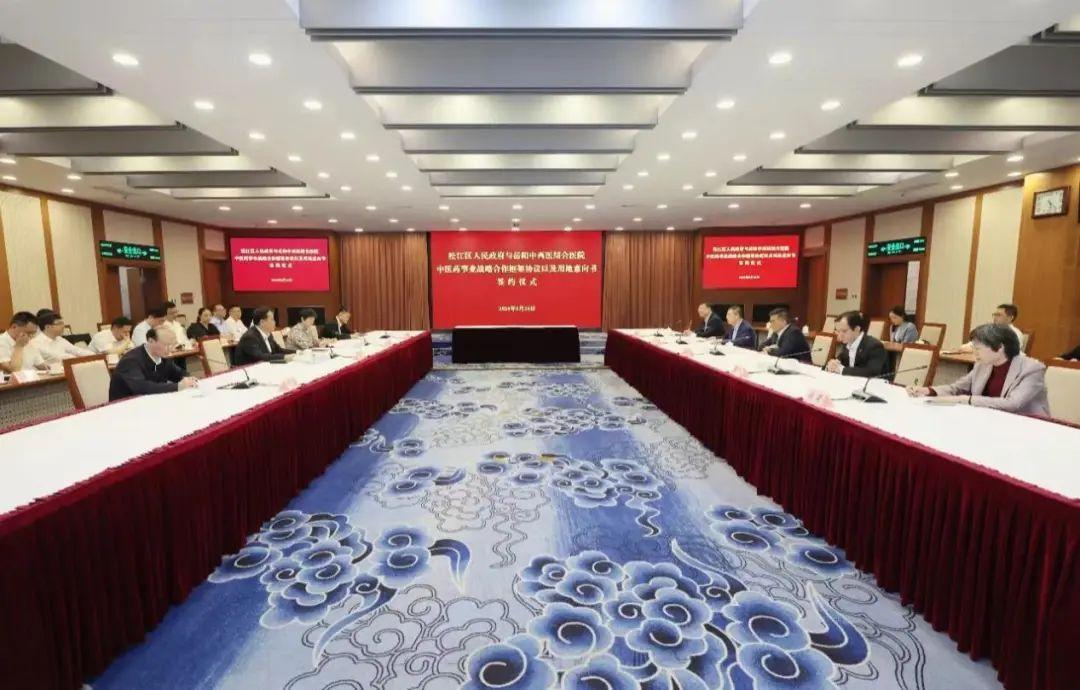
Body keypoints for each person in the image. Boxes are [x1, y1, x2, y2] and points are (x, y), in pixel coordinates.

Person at [909, 324, 1049, 416]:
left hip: (1025, 426)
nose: (974, 353)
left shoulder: (1032, 369)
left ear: (1000, 347)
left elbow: (1012, 404)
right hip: (989, 420)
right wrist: (928, 391)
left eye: (978, 349)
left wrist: (967, 400)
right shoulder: (983, 364)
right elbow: (957, 388)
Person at [108, 327, 197, 401]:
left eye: (173, 345)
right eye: (166, 345)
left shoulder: (163, 356)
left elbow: (177, 374)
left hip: (151, 400)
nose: (170, 349)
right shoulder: (131, 360)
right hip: (126, 405)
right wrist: (178, 386)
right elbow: (142, 387)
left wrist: (189, 378)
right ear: (151, 341)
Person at [825, 310, 889, 377]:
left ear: (857, 329)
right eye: (838, 331)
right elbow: (840, 360)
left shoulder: (875, 346)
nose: (840, 336)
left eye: (844, 331)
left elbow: (871, 372)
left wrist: (842, 370)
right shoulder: (847, 342)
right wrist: (832, 364)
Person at [953, 303, 1024, 353]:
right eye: (994, 314)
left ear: (1010, 318)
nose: (995, 317)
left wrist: (976, 349)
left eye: (999, 315)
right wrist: (963, 348)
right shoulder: (991, 331)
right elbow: (974, 343)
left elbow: (1003, 352)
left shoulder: (1015, 334)